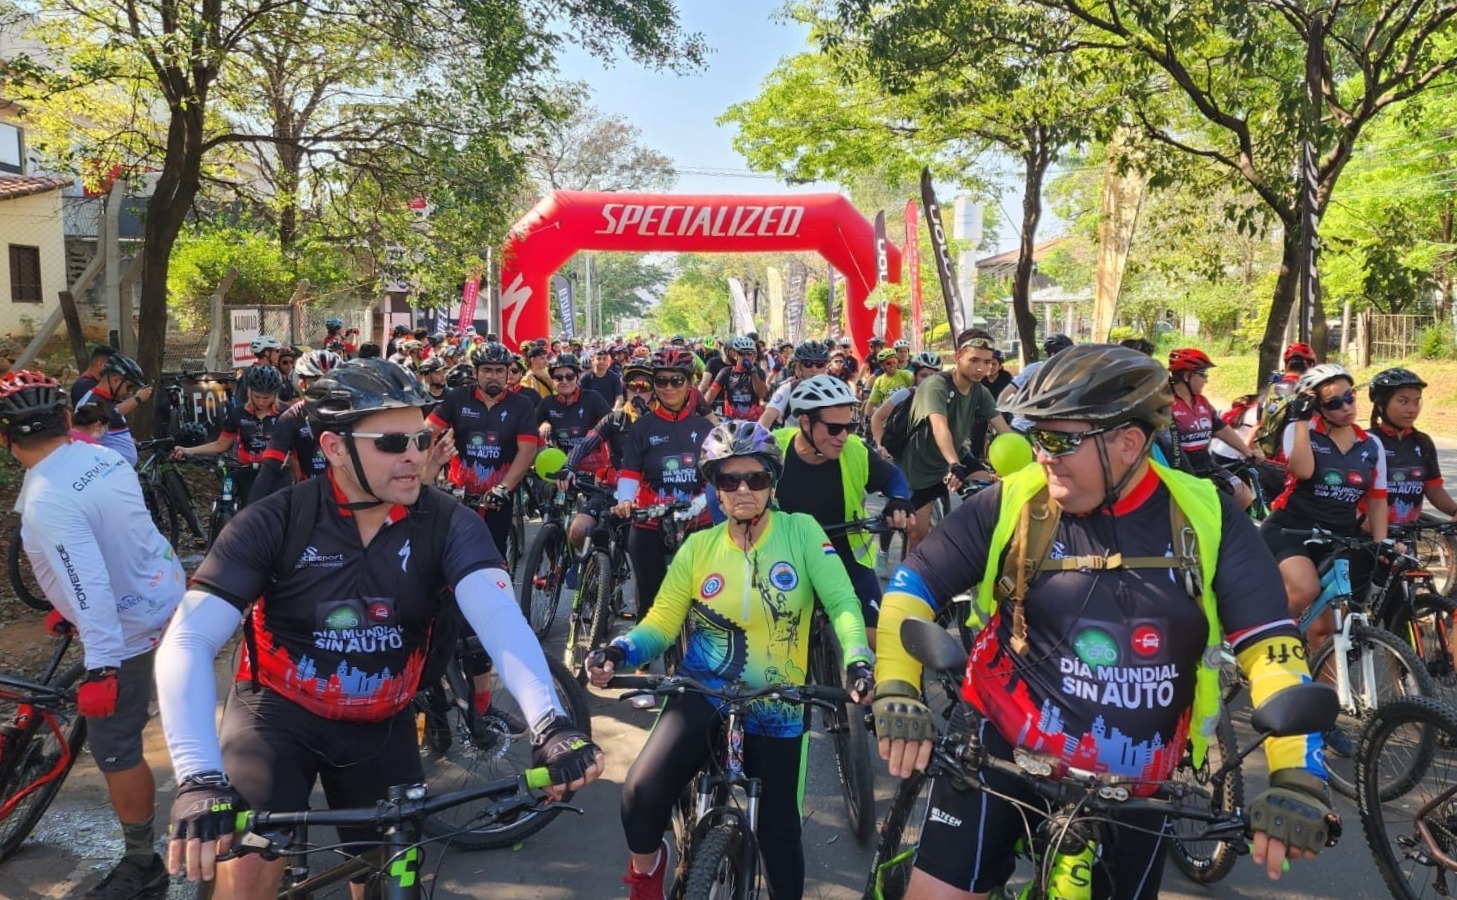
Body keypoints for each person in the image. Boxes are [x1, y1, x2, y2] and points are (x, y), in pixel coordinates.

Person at [872, 344, 1338, 900]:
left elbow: (1271, 650)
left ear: (1129, 442)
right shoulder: (1017, 500)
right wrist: (898, 685)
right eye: (1036, 435)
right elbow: (911, 586)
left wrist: (1296, 775)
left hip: (1138, 785)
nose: (1041, 454)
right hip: (999, 752)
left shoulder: (1207, 515)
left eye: (1060, 439)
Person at [155, 359, 602, 896]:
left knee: (391, 883)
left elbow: (501, 621)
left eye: (420, 436)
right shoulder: (275, 520)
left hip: (382, 724)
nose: (415, 454)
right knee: (247, 874)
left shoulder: (448, 522)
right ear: (335, 447)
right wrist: (199, 777)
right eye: (391, 443)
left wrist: (551, 725)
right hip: (275, 719)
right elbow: (187, 638)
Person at [589, 421, 874, 900]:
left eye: (756, 479)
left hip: (777, 702)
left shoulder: (801, 533)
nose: (743, 489)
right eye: (728, 480)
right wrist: (619, 649)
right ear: (715, 488)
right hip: (702, 690)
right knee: (639, 792)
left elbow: (843, 603)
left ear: (772, 484)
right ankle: (647, 871)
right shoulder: (699, 546)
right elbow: (660, 623)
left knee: (781, 834)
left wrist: (858, 660)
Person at [1, 369, 184, 899]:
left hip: (126, 626)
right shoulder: (102, 456)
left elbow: (88, 585)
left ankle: (143, 863)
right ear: (65, 418)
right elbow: (123, 532)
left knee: (115, 747)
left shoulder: (46, 500)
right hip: (160, 587)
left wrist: (102, 666)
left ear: (5, 438)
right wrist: (69, 605)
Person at [1261, 362, 1386, 754]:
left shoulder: (1372, 446)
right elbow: (1302, 469)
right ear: (1318, 408)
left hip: (1337, 536)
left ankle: (1326, 717)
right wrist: (1300, 421)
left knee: (1327, 629)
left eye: (1351, 396)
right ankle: (1262, 650)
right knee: (1304, 589)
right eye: (1335, 403)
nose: (1348, 407)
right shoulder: (1302, 435)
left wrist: (1379, 546)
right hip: (1291, 530)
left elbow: (1377, 500)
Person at [773, 374, 914, 644]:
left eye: (848, 427)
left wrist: (898, 499)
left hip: (844, 553)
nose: (843, 437)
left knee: (881, 640)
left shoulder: (855, 450)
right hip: (784, 554)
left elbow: (893, 478)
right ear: (805, 421)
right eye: (834, 429)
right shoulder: (772, 448)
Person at [612, 349, 713, 623]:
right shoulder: (642, 427)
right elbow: (630, 472)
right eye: (661, 381)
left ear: (690, 384)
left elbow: (716, 475)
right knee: (650, 594)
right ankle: (643, 657)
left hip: (697, 521)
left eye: (677, 381)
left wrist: (706, 502)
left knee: (709, 595)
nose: (669, 387)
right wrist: (625, 500)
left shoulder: (704, 427)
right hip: (650, 521)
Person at [427, 342, 540, 557]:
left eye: (500, 371)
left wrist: (505, 488)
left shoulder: (521, 405)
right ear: (475, 372)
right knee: (445, 558)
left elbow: (527, 449)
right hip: (456, 495)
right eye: (487, 370)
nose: (493, 376)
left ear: (508, 373)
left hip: (497, 498)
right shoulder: (457, 398)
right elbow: (426, 433)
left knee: (491, 561)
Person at [897, 331, 1007, 550]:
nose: (981, 368)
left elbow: (1005, 430)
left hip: (956, 455)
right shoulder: (936, 385)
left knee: (991, 498)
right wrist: (953, 463)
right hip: (921, 466)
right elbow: (940, 427)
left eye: (987, 362)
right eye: (974, 360)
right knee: (917, 534)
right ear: (958, 356)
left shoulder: (980, 392)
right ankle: (908, 580)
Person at [175, 365, 284, 506]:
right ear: (249, 391)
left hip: (275, 474)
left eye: (266, 398)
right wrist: (188, 450)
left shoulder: (284, 414)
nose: (261, 402)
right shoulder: (237, 414)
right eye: (257, 396)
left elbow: (294, 450)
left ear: (275, 395)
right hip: (246, 472)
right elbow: (221, 444)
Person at [1166, 348, 1260, 509]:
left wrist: (1247, 451)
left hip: (1206, 463)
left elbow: (1221, 429)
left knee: (1243, 495)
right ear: (1187, 376)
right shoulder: (1167, 404)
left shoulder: (1202, 401)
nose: (1206, 380)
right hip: (1180, 468)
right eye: (1203, 374)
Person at [249, 350, 342, 502]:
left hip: (351, 498)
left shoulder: (352, 413)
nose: (325, 387)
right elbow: (270, 468)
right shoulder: (291, 418)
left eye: (330, 380)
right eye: (315, 381)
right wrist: (247, 517)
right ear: (301, 384)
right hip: (312, 497)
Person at [1368, 367, 1457, 525]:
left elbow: (1433, 488)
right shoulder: (1366, 441)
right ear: (1381, 405)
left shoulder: (1423, 442)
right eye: (1403, 401)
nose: (1412, 409)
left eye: (1417, 401)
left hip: (1408, 537)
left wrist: (1454, 511)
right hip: (1368, 537)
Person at [78, 352, 152, 466]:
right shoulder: (92, 403)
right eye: (129, 387)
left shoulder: (105, 400)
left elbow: (108, 430)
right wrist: (137, 399)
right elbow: (86, 446)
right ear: (116, 380)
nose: (130, 392)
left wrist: (127, 441)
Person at [759, 339, 832, 430]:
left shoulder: (834, 391)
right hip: (793, 442)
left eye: (819, 364)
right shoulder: (788, 389)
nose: (814, 369)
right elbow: (767, 418)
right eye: (808, 364)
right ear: (799, 366)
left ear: (825, 367)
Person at [703, 336, 768, 421]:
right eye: (741, 353)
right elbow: (709, 397)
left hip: (753, 421)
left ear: (754, 355)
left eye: (749, 354)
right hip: (731, 421)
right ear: (735, 354)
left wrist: (753, 372)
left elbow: (762, 394)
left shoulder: (759, 372)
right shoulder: (726, 372)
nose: (745, 357)